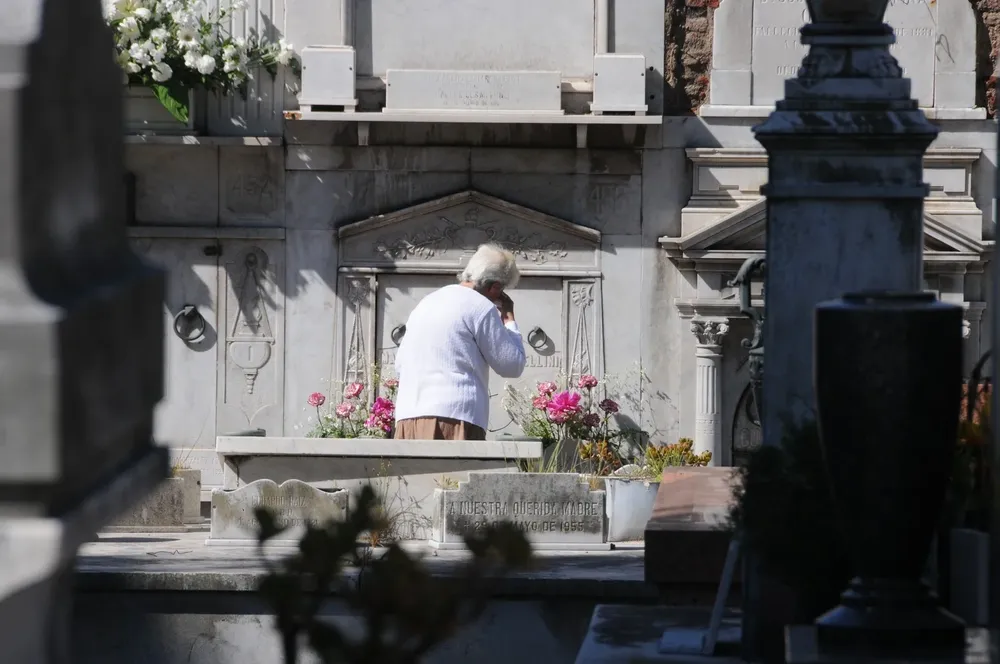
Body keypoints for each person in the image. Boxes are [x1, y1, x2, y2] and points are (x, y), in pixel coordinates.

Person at [393, 244, 527, 440]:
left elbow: (399, 364)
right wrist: (508, 318)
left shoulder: (427, 302)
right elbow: (512, 365)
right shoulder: (480, 306)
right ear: (495, 287)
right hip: (454, 416)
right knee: (452, 472)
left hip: (408, 416)